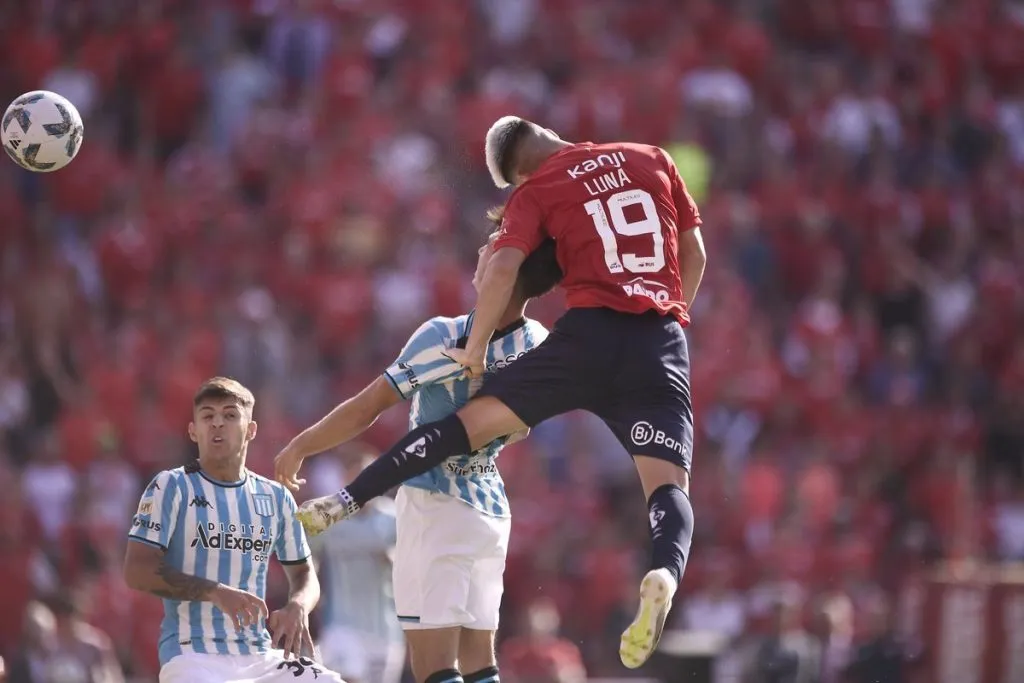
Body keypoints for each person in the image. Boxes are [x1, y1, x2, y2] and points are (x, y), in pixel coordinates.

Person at [293, 116, 707, 669]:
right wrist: (669, 326)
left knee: (458, 429)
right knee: (668, 489)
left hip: (582, 340)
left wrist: (476, 347)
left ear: (517, 172)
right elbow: (693, 251)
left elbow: (504, 265)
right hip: (658, 338)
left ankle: (346, 499)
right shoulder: (654, 156)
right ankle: (664, 572)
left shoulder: (536, 193)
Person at [273, 207, 563, 683]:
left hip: (437, 504)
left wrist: (303, 444)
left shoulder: (447, 336)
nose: (481, 251)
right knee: (480, 662)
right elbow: (525, 429)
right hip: (490, 506)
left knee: (435, 668)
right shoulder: (539, 342)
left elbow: (369, 407)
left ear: (505, 269)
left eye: (493, 246)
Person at [122, 377, 346, 683]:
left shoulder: (276, 497)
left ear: (251, 430)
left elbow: (305, 575)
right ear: (193, 430)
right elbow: (136, 570)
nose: (217, 424)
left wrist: (298, 605)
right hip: (193, 656)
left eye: (229, 415)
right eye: (207, 416)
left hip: (259, 655)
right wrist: (214, 592)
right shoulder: (171, 486)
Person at [312, 450, 405, 683]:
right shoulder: (325, 516)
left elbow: (415, 566)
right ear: (345, 480)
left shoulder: (394, 518)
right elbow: (301, 554)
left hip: (384, 629)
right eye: (357, 477)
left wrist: (394, 559)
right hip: (340, 625)